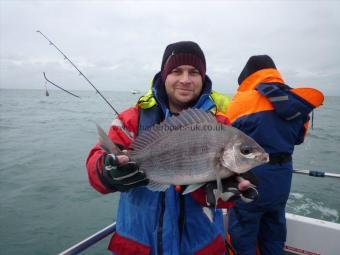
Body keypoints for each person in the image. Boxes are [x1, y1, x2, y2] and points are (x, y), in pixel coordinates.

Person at [86, 41, 258, 255]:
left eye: (194, 72)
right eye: (177, 71)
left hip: (200, 247)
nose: (185, 80)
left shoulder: (221, 125)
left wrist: (229, 191)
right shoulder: (133, 119)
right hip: (140, 247)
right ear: (165, 75)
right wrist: (106, 171)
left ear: (202, 78)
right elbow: (95, 167)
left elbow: (223, 200)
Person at [226, 55, 324, 255]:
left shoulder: (242, 101)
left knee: (243, 232)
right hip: (282, 178)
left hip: (250, 177)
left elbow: (225, 139)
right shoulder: (296, 102)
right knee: (274, 228)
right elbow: (299, 138)